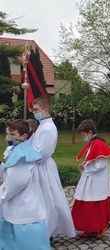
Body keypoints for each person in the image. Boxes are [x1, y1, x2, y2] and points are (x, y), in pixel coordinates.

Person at [29, 97, 76, 237]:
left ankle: (47, 232)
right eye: (33, 110)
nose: (34, 113)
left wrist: (27, 157)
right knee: (42, 199)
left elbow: (43, 153)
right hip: (38, 166)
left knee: (48, 199)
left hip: (43, 167)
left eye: (36, 110)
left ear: (46, 110)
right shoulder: (42, 125)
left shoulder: (48, 128)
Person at [0, 119, 50, 249]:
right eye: (7, 133)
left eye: (12, 134)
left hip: (23, 212)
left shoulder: (21, 157)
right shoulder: (20, 149)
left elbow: (14, 185)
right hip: (21, 208)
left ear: (23, 136)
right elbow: (10, 172)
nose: (8, 137)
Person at [72, 119, 110, 238]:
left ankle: (101, 226)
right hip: (90, 179)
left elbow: (101, 164)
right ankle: (89, 228)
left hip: (96, 181)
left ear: (90, 132)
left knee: (95, 205)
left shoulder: (99, 144)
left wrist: (85, 166)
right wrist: (86, 165)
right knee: (85, 204)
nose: (82, 137)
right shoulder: (93, 143)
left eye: (83, 134)